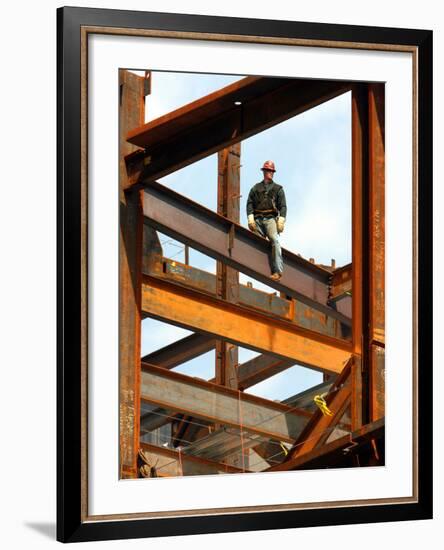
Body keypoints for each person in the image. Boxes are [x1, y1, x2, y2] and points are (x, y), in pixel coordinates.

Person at [246, 160, 287, 280]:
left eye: (271, 171)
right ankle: (255, 265)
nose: (269, 173)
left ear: (273, 172)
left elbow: (283, 206)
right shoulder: (255, 188)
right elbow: (249, 204)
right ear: (264, 172)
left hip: (270, 220)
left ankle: (277, 271)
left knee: (274, 240)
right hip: (258, 220)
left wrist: (281, 220)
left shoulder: (278, 189)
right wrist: (250, 218)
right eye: (267, 170)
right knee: (254, 240)